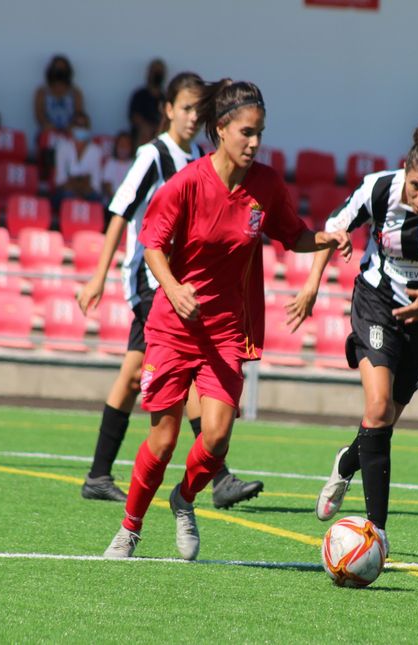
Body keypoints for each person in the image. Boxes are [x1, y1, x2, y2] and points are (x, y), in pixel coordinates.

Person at [103, 78, 352, 560]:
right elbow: (151, 244)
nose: (255, 143)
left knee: (215, 438)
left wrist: (325, 238)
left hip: (224, 331)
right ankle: (130, 528)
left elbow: (293, 235)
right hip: (173, 327)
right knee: (165, 437)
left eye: (260, 133)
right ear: (220, 130)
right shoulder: (186, 184)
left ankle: (184, 499)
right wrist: (173, 290)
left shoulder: (266, 185)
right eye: (246, 132)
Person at [291, 121, 418, 551]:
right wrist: (312, 283)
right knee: (379, 406)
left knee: (383, 422)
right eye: (416, 186)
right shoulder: (379, 188)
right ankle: (376, 533)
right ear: (405, 169)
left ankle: (346, 463)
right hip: (376, 302)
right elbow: (333, 227)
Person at [78, 72, 264, 508]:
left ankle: (99, 474)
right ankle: (218, 476)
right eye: (183, 108)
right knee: (185, 374)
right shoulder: (153, 156)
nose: (190, 117)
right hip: (153, 281)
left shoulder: (200, 157)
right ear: (167, 109)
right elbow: (121, 213)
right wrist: (99, 275)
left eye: (197, 109)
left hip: (186, 285)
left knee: (130, 376)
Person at [53, 111, 103, 208]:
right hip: (66, 191)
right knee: (66, 196)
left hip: (88, 193)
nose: (80, 128)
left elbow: (95, 184)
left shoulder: (96, 150)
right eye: (77, 124)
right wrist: (80, 183)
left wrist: (80, 188)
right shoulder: (62, 147)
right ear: (70, 127)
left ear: (88, 128)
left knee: (97, 200)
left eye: (83, 125)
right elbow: (60, 179)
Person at [34, 55, 84, 134]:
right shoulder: (42, 92)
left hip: (70, 132)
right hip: (48, 132)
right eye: (57, 68)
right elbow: (39, 114)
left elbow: (79, 115)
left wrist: (70, 127)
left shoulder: (75, 93)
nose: (60, 71)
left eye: (62, 69)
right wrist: (47, 125)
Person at [128, 58, 166, 147]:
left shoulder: (165, 98)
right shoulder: (139, 95)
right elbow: (134, 117)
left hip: (159, 132)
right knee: (145, 130)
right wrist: (148, 127)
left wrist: (157, 128)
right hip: (141, 133)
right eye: (155, 71)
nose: (157, 74)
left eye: (160, 71)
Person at [101, 131, 134, 201]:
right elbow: (107, 185)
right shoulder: (111, 163)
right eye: (121, 145)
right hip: (112, 202)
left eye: (126, 145)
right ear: (116, 146)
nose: (123, 148)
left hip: (129, 202)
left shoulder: (134, 164)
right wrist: (116, 201)